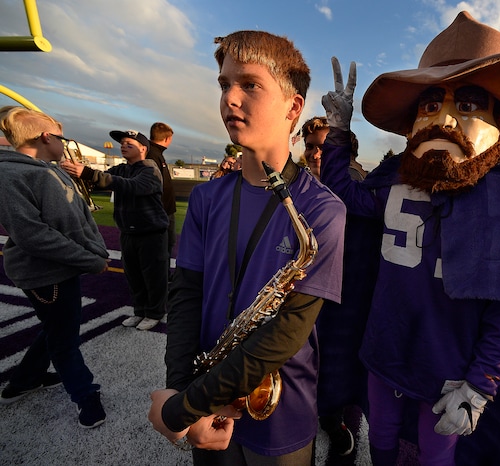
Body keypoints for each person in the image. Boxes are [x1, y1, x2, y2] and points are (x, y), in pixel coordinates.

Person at [320, 11, 500, 466]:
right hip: (384, 349)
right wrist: (338, 132)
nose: (443, 119)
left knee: (437, 454)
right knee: (381, 437)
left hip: (449, 364)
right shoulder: (396, 182)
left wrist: (481, 384)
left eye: (468, 104)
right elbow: (348, 196)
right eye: (430, 104)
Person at [147, 30, 346, 465]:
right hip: (205, 402)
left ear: (294, 107)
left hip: (279, 413)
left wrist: (180, 409)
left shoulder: (325, 210)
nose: (229, 99)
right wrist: (183, 391)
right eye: (224, 84)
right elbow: (185, 297)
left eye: (249, 84)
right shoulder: (205, 199)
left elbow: (287, 334)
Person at [0, 106, 109, 428]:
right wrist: (90, 259)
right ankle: (85, 395)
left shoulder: (47, 168)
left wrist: (94, 251)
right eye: (60, 137)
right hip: (45, 274)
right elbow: (34, 236)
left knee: (56, 328)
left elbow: (76, 220)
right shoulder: (12, 175)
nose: (64, 143)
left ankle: (23, 381)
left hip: (61, 268)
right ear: (46, 137)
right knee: (64, 339)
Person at [300, 116, 379, 459]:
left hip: (341, 299)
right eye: (311, 146)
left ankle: (335, 422)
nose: (316, 154)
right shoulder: (297, 183)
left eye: (324, 147)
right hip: (305, 293)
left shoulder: (355, 184)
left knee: (333, 372)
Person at [62, 129, 169, 332]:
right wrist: (77, 172)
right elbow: (99, 180)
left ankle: (154, 313)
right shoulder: (121, 168)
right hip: (128, 231)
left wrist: (89, 173)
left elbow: (133, 187)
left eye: (130, 143)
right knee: (134, 276)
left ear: (143, 149)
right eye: (123, 142)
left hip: (151, 232)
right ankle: (139, 311)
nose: (123, 145)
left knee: (153, 277)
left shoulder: (150, 168)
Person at [300, 116, 365, 181]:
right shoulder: (303, 182)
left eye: (325, 148)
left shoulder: (350, 182)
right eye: (309, 147)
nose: (315, 155)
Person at [147, 122, 177, 257]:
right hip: (161, 212)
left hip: (164, 210)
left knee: (167, 244)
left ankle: (163, 274)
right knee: (162, 246)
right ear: (167, 139)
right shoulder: (153, 154)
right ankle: (161, 276)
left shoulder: (154, 153)